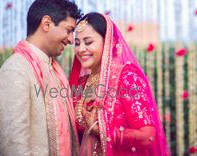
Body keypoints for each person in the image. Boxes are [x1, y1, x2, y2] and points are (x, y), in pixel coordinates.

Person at [0, 0, 83, 155]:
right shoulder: (16, 70)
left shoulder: (54, 71)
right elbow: (15, 145)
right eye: (69, 30)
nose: (71, 40)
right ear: (47, 23)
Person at [70, 12, 169, 155]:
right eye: (77, 43)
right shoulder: (82, 83)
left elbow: (147, 136)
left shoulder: (127, 77)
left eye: (88, 42)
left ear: (109, 42)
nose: (80, 49)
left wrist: (102, 130)